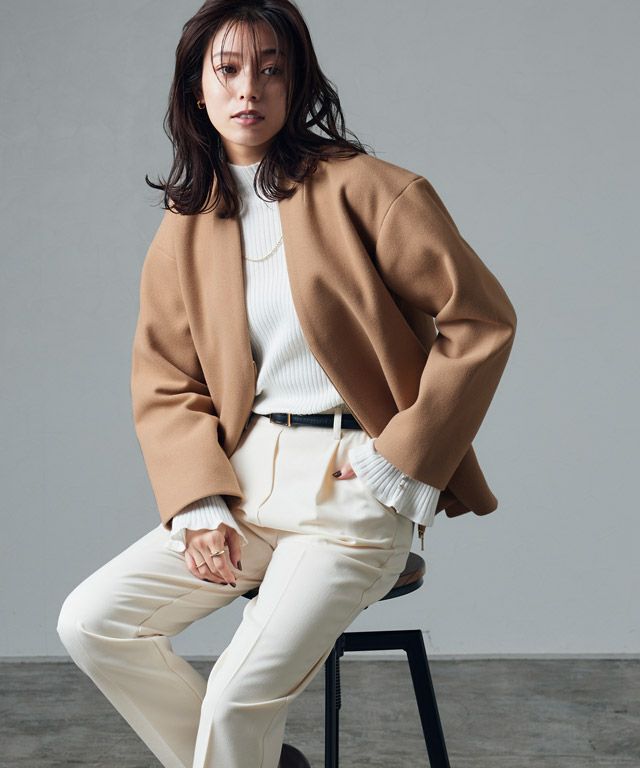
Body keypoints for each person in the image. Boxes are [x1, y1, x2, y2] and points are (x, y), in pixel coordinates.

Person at [56, 2, 517, 767]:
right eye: (229, 70)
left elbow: (481, 320)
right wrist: (198, 503)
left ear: (296, 83)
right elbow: (167, 377)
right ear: (197, 87)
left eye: (272, 70)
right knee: (93, 623)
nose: (250, 89)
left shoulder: (367, 189)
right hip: (244, 485)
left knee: (236, 695)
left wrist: (401, 462)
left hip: (353, 483)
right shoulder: (187, 224)